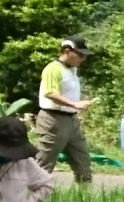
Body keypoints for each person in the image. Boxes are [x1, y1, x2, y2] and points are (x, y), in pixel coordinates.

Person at [34, 36, 95, 184]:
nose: (83, 58)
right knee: (44, 161)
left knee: (82, 160)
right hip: (52, 120)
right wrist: (75, 104)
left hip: (71, 121)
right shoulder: (53, 68)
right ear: (67, 51)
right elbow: (50, 93)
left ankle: (84, 199)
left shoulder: (72, 70)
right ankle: (31, 197)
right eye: (80, 54)